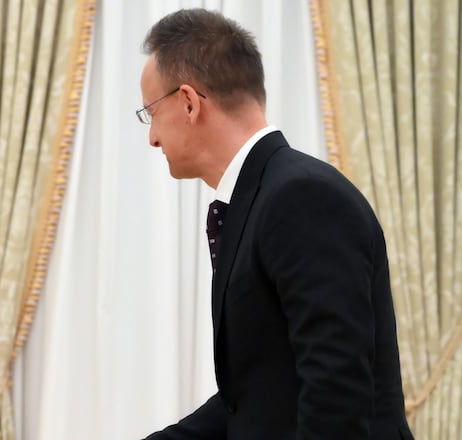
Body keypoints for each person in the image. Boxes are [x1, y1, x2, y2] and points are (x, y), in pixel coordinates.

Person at [136, 9, 413, 439]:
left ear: (189, 102)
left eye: (150, 112)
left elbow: (336, 395)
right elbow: (254, 398)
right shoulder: (262, 197)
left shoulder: (301, 197)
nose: (151, 137)